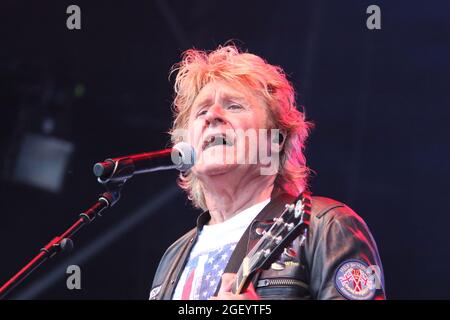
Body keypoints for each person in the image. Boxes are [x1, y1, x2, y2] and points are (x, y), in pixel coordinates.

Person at [149, 45, 385, 300]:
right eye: (201, 111)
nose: (213, 116)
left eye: (234, 106)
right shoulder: (173, 257)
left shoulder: (325, 226)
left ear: (276, 139)